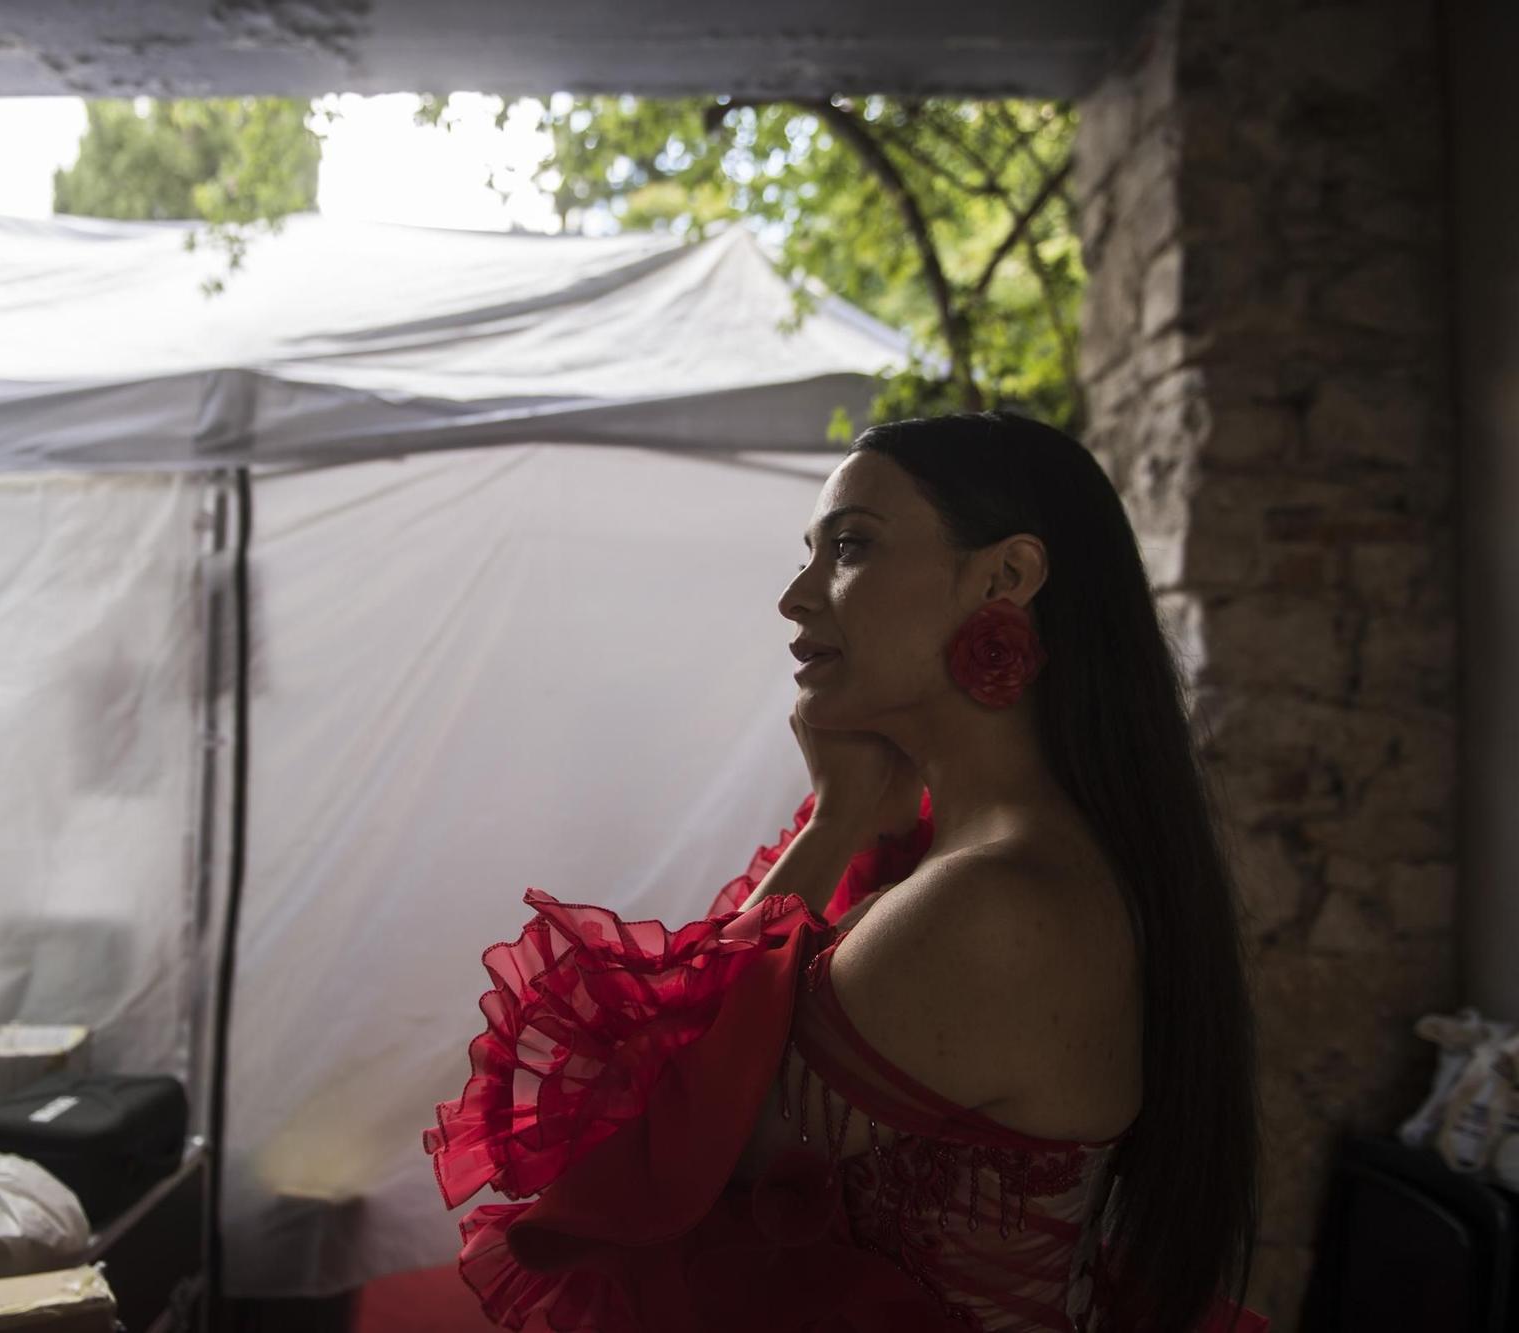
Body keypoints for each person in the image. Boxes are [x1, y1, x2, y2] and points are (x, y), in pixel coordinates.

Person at [424, 412, 1270, 1332]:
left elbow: (643, 1164)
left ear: (1007, 576)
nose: (795, 597)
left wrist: (833, 824)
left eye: (850, 548)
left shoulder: (992, 907)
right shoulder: (991, 859)